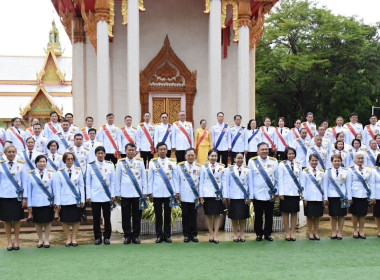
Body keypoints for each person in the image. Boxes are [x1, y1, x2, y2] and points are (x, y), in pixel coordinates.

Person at [116, 143, 147, 245]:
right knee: (125, 216)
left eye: (133, 150)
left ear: (135, 152)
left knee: (137, 216)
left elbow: (143, 178)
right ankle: (127, 236)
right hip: (125, 194)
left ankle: (136, 236)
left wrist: (144, 191)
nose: (131, 152)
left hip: (137, 194)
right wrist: (118, 192)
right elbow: (118, 179)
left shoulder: (140, 161)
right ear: (125, 151)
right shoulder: (121, 163)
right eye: (129, 150)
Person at [148, 142, 178, 243]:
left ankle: (167, 235)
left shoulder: (172, 162)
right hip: (157, 193)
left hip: (169, 193)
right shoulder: (153, 163)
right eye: (161, 149)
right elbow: (150, 179)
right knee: (158, 215)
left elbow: (175, 179)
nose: (163, 151)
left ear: (167, 150)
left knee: (168, 215)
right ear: (157, 151)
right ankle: (159, 235)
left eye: (164, 149)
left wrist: (176, 192)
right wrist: (150, 192)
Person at [249, 142, 278, 241]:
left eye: (266, 149)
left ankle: (268, 233)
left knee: (269, 215)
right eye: (263, 149)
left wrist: (276, 192)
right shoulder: (252, 162)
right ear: (258, 151)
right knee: (258, 215)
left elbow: (277, 178)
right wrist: (251, 194)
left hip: (270, 194)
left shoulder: (274, 161)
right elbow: (250, 180)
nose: (265, 151)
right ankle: (259, 234)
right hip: (257, 194)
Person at [0, 144, 27, 251]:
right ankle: (9, 241)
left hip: (17, 196)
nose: (11, 154)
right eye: (9, 152)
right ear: (5, 153)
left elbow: (24, 181)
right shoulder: (1, 165)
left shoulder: (21, 164)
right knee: (6, 220)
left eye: (13, 152)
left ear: (16, 153)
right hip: (4, 195)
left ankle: (16, 240)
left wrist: (24, 197)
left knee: (16, 220)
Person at [86, 146, 115, 245]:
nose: (100, 155)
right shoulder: (91, 166)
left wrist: (112, 195)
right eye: (98, 153)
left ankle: (107, 237)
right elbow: (88, 183)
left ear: (105, 154)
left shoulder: (110, 165)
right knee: (96, 218)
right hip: (95, 196)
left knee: (107, 218)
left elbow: (112, 182)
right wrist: (88, 196)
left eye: (102, 153)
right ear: (95, 155)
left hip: (106, 196)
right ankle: (97, 237)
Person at [55, 152, 85, 247]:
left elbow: (81, 186)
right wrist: (58, 202)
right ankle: (68, 238)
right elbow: (57, 188)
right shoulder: (59, 172)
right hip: (64, 200)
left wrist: (82, 199)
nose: (70, 160)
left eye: (72, 159)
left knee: (76, 220)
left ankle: (74, 238)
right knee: (65, 221)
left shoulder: (78, 170)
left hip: (75, 199)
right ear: (64, 160)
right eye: (68, 159)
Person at [26, 155, 55, 248]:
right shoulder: (31, 174)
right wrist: (29, 204)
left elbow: (54, 189)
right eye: (40, 162)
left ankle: (46, 240)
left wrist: (55, 202)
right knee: (37, 222)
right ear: (36, 163)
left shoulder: (51, 173)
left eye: (44, 161)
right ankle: (40, 239)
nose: (42, 163)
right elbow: (29, 191)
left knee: (47, 222)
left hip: (47, 202)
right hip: (36, 202)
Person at [224, 152, 252, 242]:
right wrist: (226, 195)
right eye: (238, 158)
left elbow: (250, 184)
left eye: (241, 158)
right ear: (234, 159)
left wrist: (250, 196)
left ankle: (242, 234)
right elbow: (226, 184)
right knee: (234, 216)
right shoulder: (229, 169)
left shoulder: (247, 170)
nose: (240, 160)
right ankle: (235, 233)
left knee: (243, 216)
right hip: (233, 196)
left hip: (243, 196)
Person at [323, 154, 352, 240]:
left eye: (338, 161)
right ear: (332, 162)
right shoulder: (327, 171)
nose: (337, 162)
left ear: (341, 161)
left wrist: (349, 197)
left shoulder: (346, 171)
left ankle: (340, 232)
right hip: (331, 196)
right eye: (335, 161)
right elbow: (325, 185)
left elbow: (348, 185)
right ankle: (334, 231)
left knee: (341, 215)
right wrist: (325, 198)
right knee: (333, 215)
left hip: (342, 196)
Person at [199, 149, 225, 244]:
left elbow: (224, 182)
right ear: (208, 157)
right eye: (212, 156)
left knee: (217, 214)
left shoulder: (222, 167)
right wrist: (201, 196)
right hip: (207, 194)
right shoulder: (203, 167)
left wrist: (224, 195)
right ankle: (210, 233)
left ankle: (216, 234)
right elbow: (201, 182)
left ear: (217, 157)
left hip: (217, 194)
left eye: (215, 156)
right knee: (209, 215)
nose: (213, 158)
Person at [177, 148, 201, 242]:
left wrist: (200, 195)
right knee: (185, 216)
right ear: (185, 156)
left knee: (194, 216)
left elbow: (201, 182)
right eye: (189, 155)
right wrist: (177, 192)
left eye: (192, 155)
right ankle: (186, 235)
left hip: (194, 196)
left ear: (195, 156)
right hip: (184, 195)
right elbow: (177, 181)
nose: (190, 157)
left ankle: (194, 234)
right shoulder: (180, 167)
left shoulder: (199, 167)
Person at [278, 147, 302, 241]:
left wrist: (300, 191)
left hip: (295, 192)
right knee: (285, 212)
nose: (291, 155)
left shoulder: (298, 165)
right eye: (289, 154)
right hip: (286, 192)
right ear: (286, 155)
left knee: (294, 212)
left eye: (292, 153)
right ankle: (287, 231)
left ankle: (292, 231)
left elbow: (300, 178)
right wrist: (281, 193)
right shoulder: (282, 164)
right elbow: (280, 179)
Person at [348, 153, 374, 239]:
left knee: (363, 214)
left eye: (362, 158)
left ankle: (361, 230)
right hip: (354, 194)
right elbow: (348, 184)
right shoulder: (351, 169)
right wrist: (349, 197)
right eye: (358, 158)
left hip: (364, 194)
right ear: (355, 160)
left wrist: (372, 196)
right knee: (355, 214)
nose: (360, 160)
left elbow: (371, 183)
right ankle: (355, 230)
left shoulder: (368, 169)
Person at [302, 154, 325, 240]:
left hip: (318, 197)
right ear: (309, 161)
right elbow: (303, 185)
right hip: (309, 197)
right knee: (309, 216)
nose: (314, 162)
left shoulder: (322, 172)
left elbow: (323, 185)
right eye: (312, 160)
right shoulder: (305, 172)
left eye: (315, 160)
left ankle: (316, 231)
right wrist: (304, 197)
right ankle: (310, 232)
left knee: (317, 216)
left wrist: (324, 198)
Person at [68, 134, 90, 219]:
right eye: (77, 139)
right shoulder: (69, 150)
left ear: (82, 140)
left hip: (83, 175)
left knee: (82, 193)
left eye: (80, 139)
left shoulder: (86, 150)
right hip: (73, 175)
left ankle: (83, 211)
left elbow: (89, 164)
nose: (78, 140)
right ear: (74, 140)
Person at [372, 155, 380, 237]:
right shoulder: (374, 170)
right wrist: (373, 196)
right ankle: (379, 230)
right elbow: (372, 183)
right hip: (378, 194)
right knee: (378, 214)